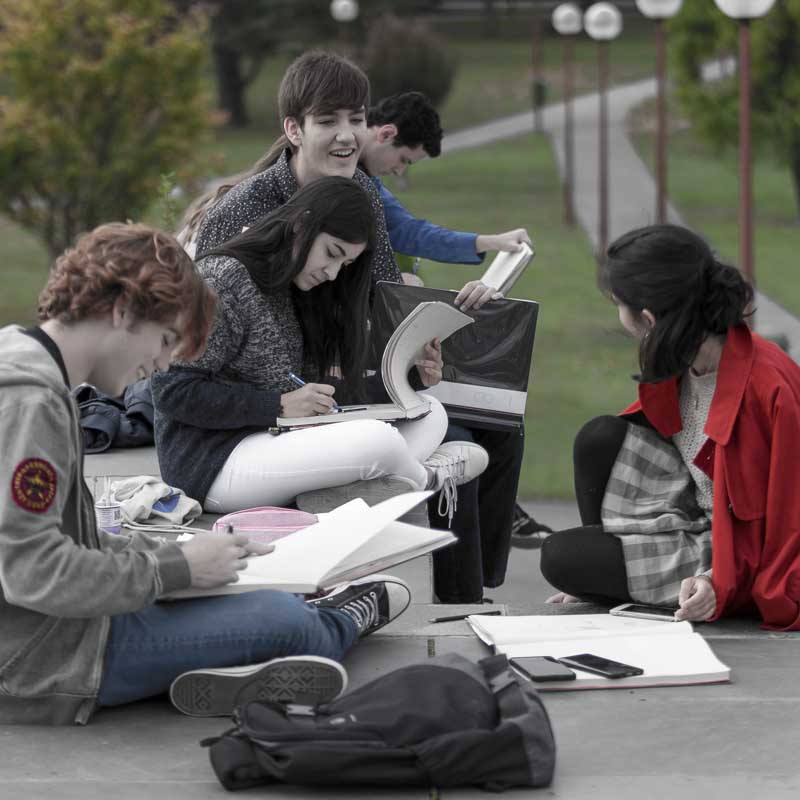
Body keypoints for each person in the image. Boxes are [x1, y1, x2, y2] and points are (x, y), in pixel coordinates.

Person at [0, 222, 414, 725]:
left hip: (65, 629)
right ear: (123, 310)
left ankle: (244, 659)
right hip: (48, 660)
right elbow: (33, 571)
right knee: (288, 622)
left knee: (258, 599)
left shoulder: (26, 366)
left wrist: (173, 559)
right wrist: (176, 570)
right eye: (166, 339)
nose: (163, 364)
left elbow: (63, 544)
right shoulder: (31, 401)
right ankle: (343, 616)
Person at [152, 177, 488, 515]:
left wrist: (410, 380)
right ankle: (427, 479)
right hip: (213, 464)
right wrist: (277, 405)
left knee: (429, 412)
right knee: (379, 441)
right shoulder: (223, 283)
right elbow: (171, 390)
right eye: (331, 254)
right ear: (300, 225)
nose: (332, 273)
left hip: (281, 442)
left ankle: (349, 495)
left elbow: (324, 398)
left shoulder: (301, 291)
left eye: (345, 265)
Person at [541, 224, 800, 630]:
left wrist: (719, 582)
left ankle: (637, 580)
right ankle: (611, 573)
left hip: (740, 550)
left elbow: (784, 521)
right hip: (696, 502)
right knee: (599, 438)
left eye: (618, 304)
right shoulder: (687, 351)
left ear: (647, 317)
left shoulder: (767, 387)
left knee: (561, 557)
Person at [360, 91, 547, 598]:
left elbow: (410, 235)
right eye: (403, 161)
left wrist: (486, 248)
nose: (399, 172)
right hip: (372, 365)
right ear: (386, 134)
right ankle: (460, 591)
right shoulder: (355, 186)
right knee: (462, 432)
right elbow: (411, 233)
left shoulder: (367, 183)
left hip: (402, 346)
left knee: (506, 427)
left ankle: (482, 579)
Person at [180, 50, 400, 290]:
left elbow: (382, 289)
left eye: (357, 120)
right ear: (294, 130)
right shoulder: (240, 210)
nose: (347, 136)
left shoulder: (362, 191)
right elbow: (205, 312)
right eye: (327, 121)